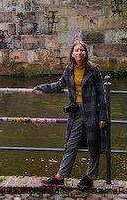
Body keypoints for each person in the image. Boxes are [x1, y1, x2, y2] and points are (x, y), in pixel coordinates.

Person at [32, 40, 108, 190]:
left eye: (82, 50)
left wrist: (103, 117)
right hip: (76, 113)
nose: (79, 53)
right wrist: (41, 88)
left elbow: (101, 95)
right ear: (72, 54)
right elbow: (58, 85)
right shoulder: (69, 70)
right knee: (71, 144)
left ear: (85, 53)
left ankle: (90, 177)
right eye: (76, 50)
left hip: (92, 112)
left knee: (94, 145)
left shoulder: (93, 70)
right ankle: (61, 176)